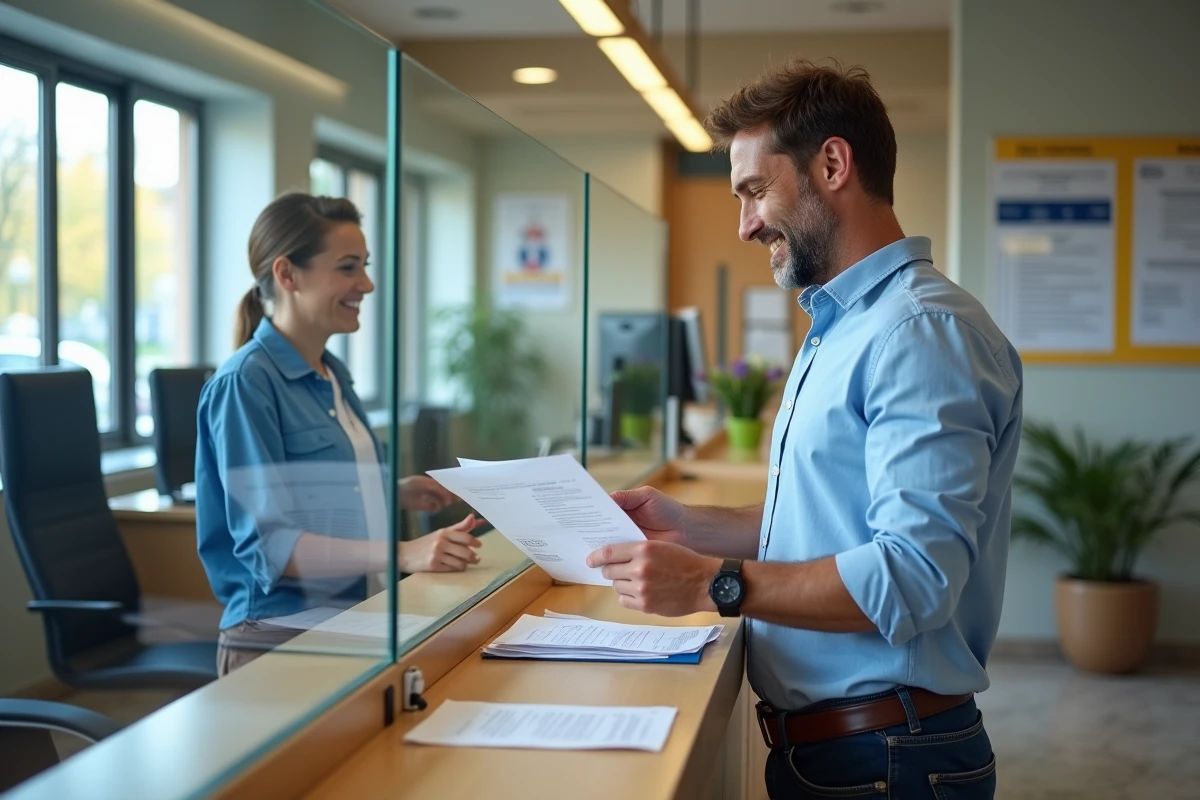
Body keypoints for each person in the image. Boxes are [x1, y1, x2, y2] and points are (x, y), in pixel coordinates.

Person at [587, 61, 1022, 798]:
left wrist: (715, 584)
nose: (746, 223)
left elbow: (912, 579)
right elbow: (832, 521)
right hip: (845, 752)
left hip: (890, 757)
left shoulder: (918, 332)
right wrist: (693, 525)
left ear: (832, 164)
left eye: (756, 190)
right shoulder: (844, 327)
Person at [196, 193, 483, 676]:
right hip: (281, 639)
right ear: (287, 275)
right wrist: (405, 553)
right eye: (349, 268)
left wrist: (390, 491)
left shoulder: (331, 372)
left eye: (365, 266)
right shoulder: (246, 383)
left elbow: (303, 495)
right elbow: (272, 546)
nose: (367, 284)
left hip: (355, 619)